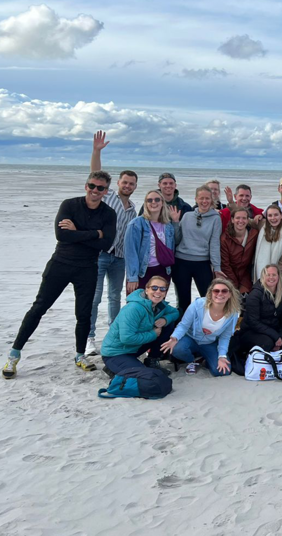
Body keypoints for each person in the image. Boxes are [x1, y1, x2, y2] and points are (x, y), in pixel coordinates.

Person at [4, 171, 117, 378]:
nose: (95, 190)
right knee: (39, 308)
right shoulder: (69, 205)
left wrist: (77, 231)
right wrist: (95, 233)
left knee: (83, 314)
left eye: (100, 188)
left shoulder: (109, 213)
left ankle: (80, 355)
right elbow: (61, 235)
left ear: (106, 191)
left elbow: (106, 244)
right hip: (60, 264)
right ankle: (14, 354)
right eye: (92, 186)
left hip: (87, 268)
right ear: (86, 186)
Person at [86, 131, 139, 356]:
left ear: (135, 186)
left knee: (115, 298)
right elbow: (94, 176)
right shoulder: (107, 197)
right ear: (118, 183)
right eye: (124, 182)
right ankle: (89, 337)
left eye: (131, 183)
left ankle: (113, 334)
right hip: (101, 255)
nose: (127, 185)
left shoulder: (133, 209)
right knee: (94, 297)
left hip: (119, 259)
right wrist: (96, 151)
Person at [100, 276, 180, 375]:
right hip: (117, 352)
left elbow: (175, 312)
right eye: (154, 288)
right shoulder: (133, 308)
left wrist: (165, 319)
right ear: (146, 290)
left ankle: (152, 360)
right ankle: (113, 366)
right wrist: (153, 334)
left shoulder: (160, 305)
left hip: (134, 348)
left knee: (169, 324)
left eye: (162, 289)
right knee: (146, 375)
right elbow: (127, 338)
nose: (158, 291)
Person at [160, 278, 240, 376]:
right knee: (177, 349)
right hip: (190, 338)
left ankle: (205, 359)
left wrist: (222, 356)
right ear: (210, 293)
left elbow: (225, 337)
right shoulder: (198, 305)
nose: (220, 294)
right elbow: (183, 325)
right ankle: (192, 361)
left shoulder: (233, 313)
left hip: (210, 343)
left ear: (230, 294)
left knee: (222, 372)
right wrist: (174, 337)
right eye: (216, 291)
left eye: (224, 291)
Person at [173, 185, 223, 313]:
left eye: (207, 198)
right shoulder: (187, 216)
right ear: (196, 199)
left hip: (202, 263)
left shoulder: (216, 218)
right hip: (181, 262)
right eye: (201, 198)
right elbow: (177, 240)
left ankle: (206, 324)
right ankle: (182, 325)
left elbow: (214, 244)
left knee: (208, 299)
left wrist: (217, 267)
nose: (204, 201)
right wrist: (175, 222)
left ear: (211, 200)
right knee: (183, 301)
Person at [124, 189, 181, 292]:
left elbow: (175, 244)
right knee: (138, 301)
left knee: (158, 301)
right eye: (149, 200)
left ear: (162, 203)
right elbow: (130, 252)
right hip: (142, 272)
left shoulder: (168, 226)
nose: (153, 202)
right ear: (145, 204)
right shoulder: (136, 224)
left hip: (163, 272)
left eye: (157, 199)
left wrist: (176, 222)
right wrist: (132, 277)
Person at [237, 264, 282, 353]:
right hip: (252, 331)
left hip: (272, 330)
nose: (271, 277)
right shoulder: (255, 295)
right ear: (263, 277)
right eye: (268, 275)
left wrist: (281, 337)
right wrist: (275, 336)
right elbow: (253, 322)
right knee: (268, 343)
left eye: (274, 275)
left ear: (278, 276)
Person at [220, 206, 258, 295]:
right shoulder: (225, 239)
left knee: (247, 298)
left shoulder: (254, 234)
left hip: (246, 276)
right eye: (237, 218)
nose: (241, 221)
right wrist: (234, 285)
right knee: (232, 296)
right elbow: (225, 265)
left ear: (248, 220)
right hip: (228, 275)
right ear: (232, 220)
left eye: (244, 218)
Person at [253, 204, 282, 281]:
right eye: (270, 215)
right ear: (266, 217)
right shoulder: (261, 224)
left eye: (276, 215)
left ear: (281, 215)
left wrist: (275, 277)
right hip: (260, 271)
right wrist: (258, 216)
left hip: (277, 275)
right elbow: (244, 221)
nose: (273, 218)